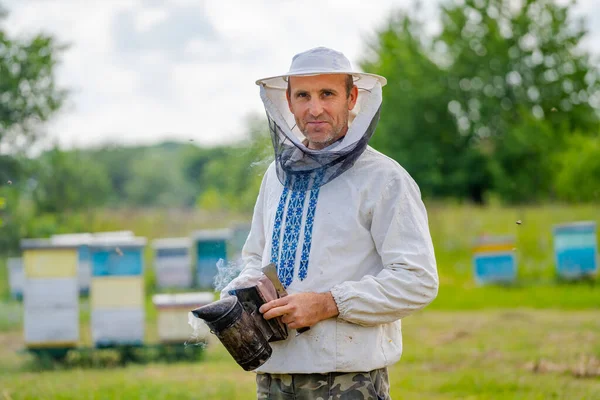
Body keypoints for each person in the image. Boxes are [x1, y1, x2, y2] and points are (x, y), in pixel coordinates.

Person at [221, 46, 439, 400]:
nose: (315, 108)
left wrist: (328, 303)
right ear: (288, 102)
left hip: (347, 380)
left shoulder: (384, 179)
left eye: (327, 94)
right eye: (303, 95)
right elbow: (254, 259)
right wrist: (239, 293)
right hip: (273, 377)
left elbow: (418, 280)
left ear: (351, 98)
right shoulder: (274, 178)